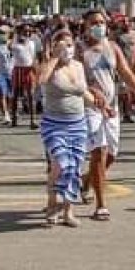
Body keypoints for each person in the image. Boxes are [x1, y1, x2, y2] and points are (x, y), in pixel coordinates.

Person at [81, 10, 135, 221]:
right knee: (99, 151)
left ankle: (87, 180)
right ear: (86, 25)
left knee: (112, 154)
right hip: (90, 107)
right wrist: (91, 91)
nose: (99, 26)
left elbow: (125, 71)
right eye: (94, 23)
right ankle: (100, 204)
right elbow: (77, 80)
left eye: (102, 22)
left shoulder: (112, 47)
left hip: (112, 107)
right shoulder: (80, 50)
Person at [37, 30, 92, 227]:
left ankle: (68, 210)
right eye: (61, 45)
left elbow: (83, 91)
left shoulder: (78, 66)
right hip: (54, 123)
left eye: (69, 45)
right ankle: (53, 204)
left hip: (78, 123)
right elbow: (41, 80)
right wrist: (54, 57)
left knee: (75, 167)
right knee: (60, 163)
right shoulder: (51, 67)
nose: (66, 49)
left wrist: (102, 105)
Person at [10, 26, 38, 130]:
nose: (27, 33)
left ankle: (32, 120)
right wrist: (16, 36)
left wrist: (36, 70)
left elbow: (33, 57)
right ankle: (14, 117)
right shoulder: (15, 43)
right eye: (25, 31)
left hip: (29, 69)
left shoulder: (32, 43)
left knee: (31, 95)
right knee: (15, 94)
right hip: (18, 69)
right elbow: (9, 47)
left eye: (29, 31)